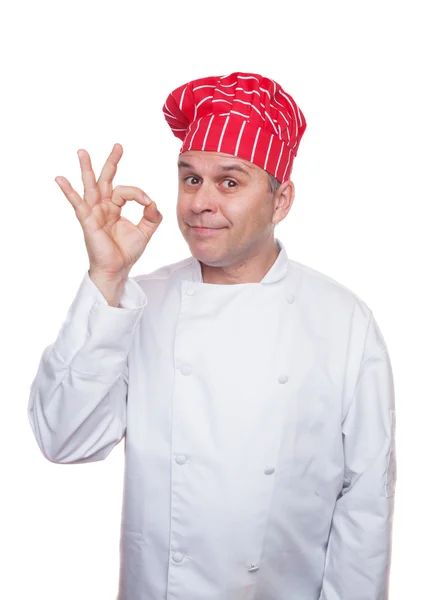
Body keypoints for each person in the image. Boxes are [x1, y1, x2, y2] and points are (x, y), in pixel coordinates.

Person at [27, 72, 396, 600]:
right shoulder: (137, 304)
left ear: (281, 199)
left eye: (230, 181)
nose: (201, 202)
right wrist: (107, 278)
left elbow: (366, 506)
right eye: (190, 179)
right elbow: (62, 440)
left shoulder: (343, 323)